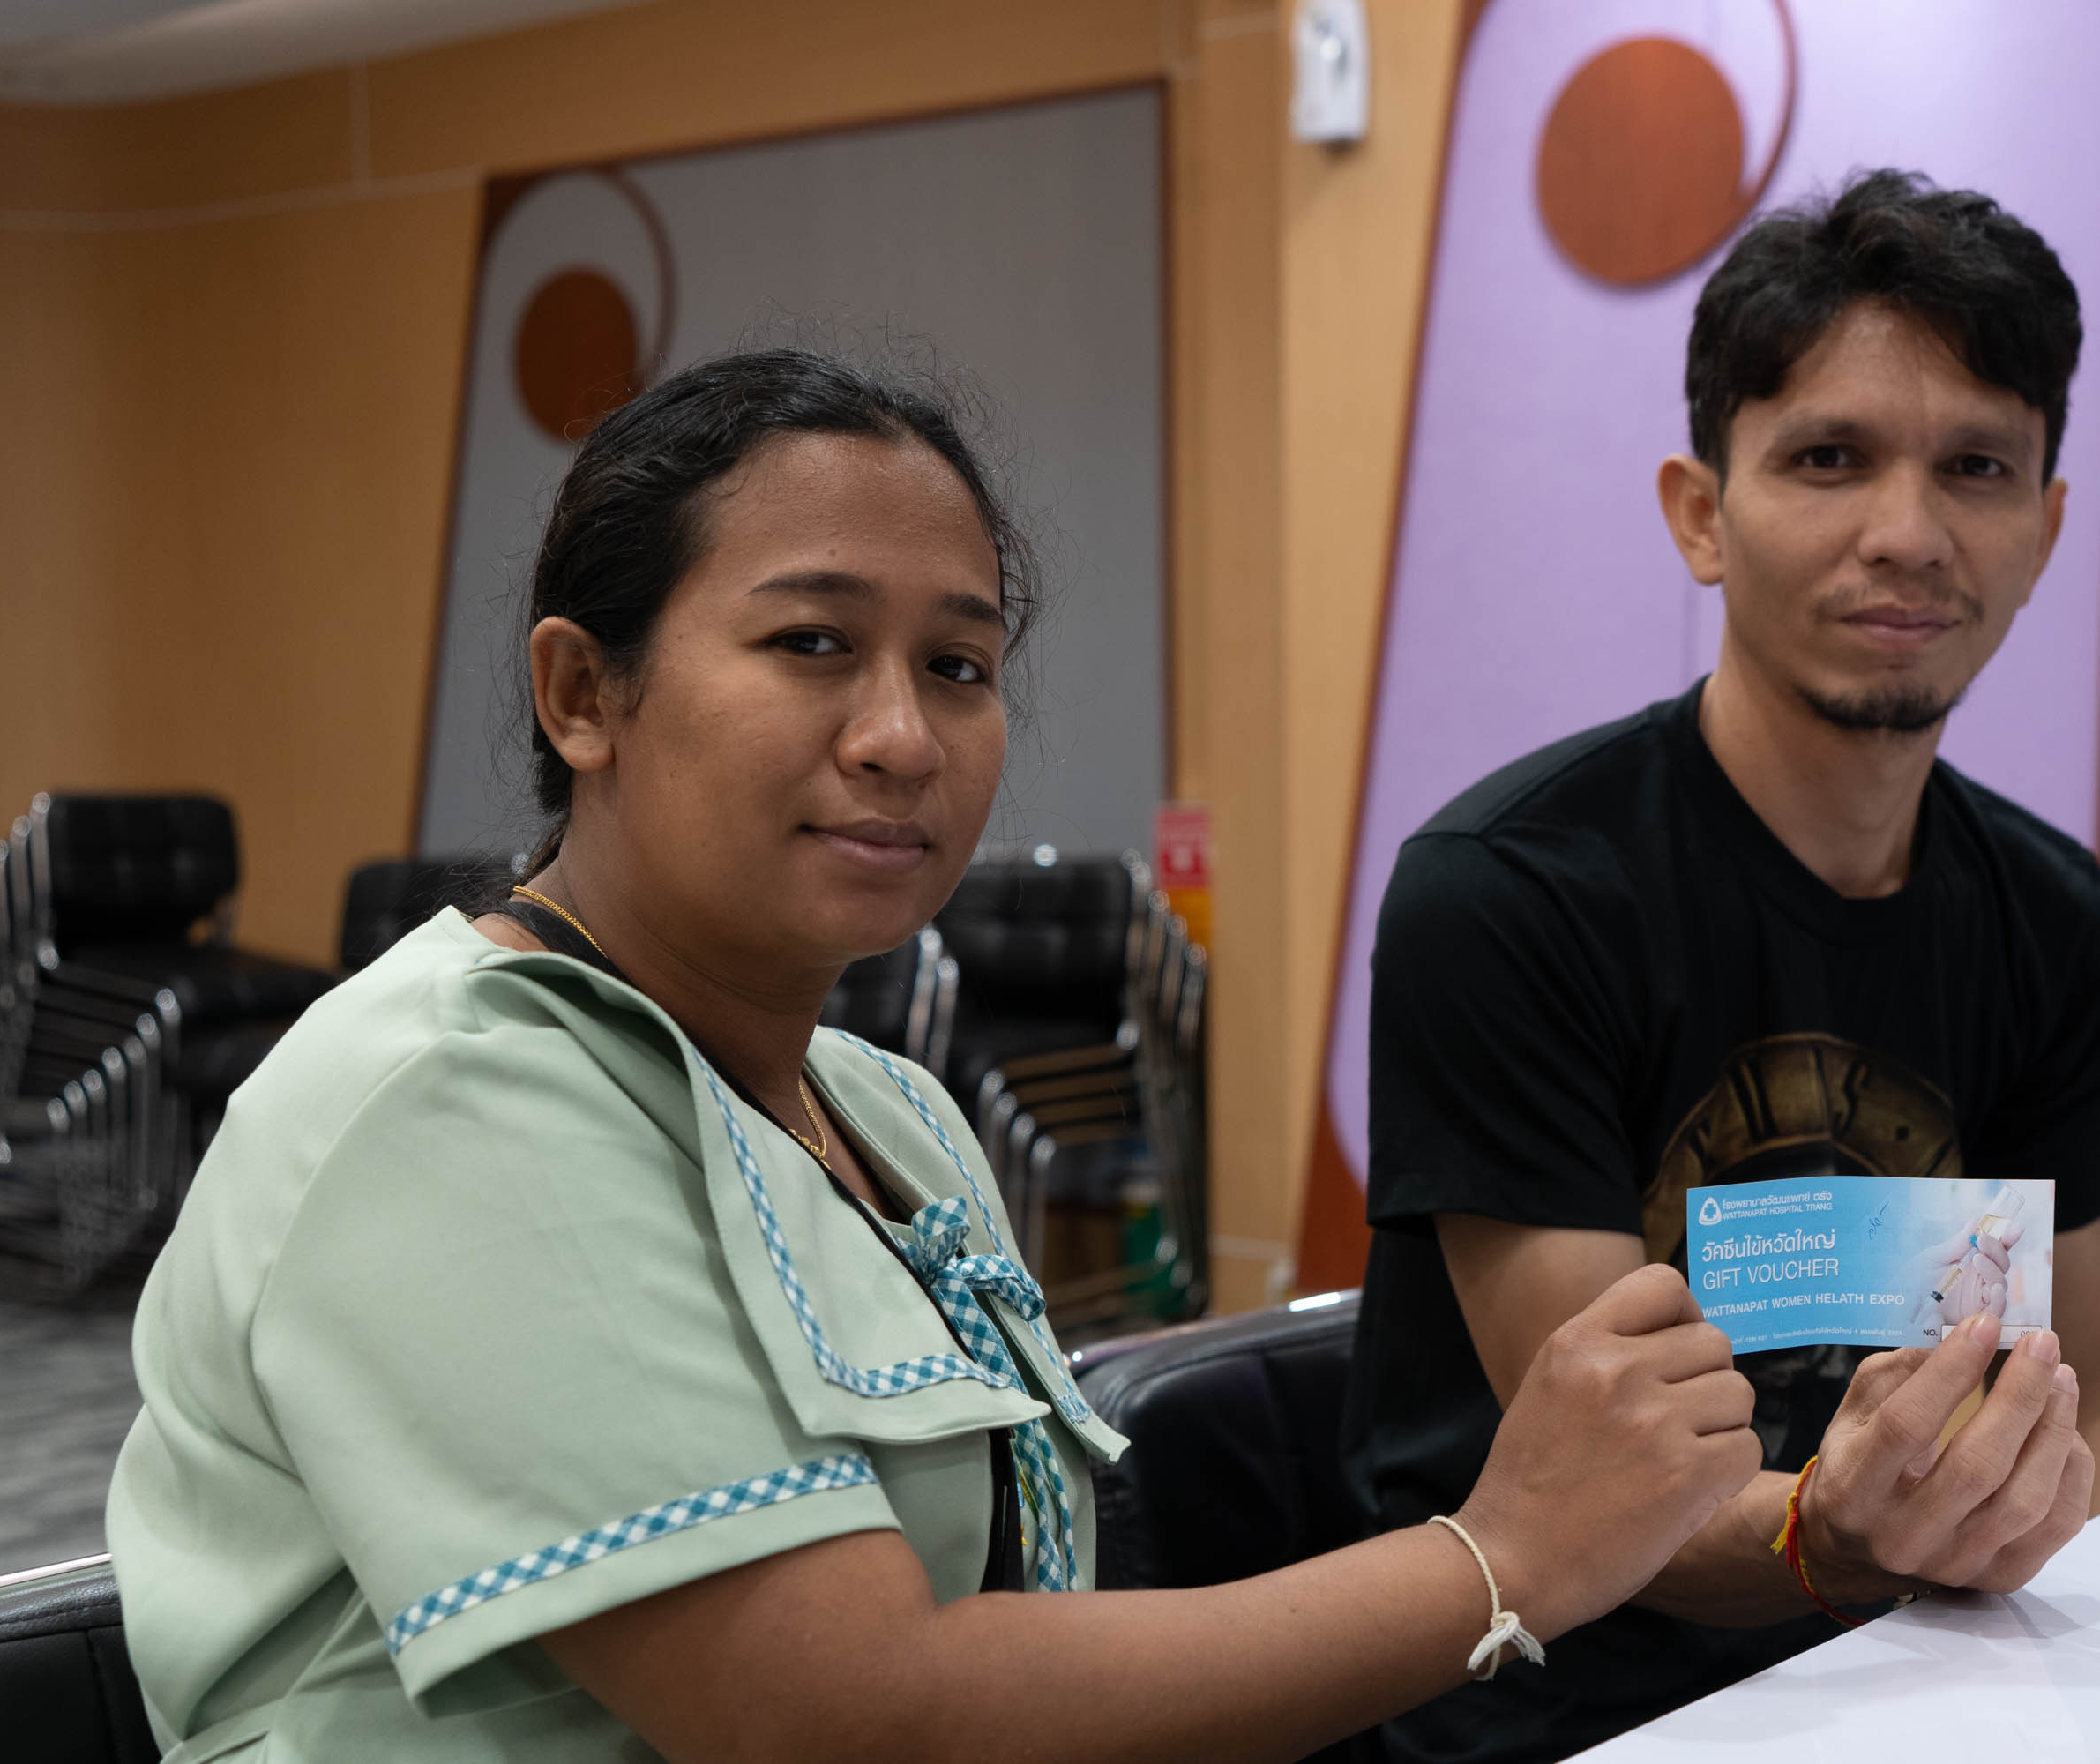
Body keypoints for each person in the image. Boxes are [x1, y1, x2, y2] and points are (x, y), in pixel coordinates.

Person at [102, 349, 1768, 1762]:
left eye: (958, 666)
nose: (903, 736)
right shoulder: (454, 1096)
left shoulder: (886, 1112)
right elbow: (850, 1715)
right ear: (583, 694)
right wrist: (1498, 1559)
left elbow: (1011, 1629)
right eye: (812, 644)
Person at [1341, 168, 2100, 1762]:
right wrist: (1832, 1536)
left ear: (2047, 528)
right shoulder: (1510, 895)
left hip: (1926, 1695)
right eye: (1828, 458)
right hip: (1561, 1717)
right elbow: (1606, 1504)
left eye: (1977, 468)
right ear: (1702, 515)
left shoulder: (2053, 916)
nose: (1907, 535)